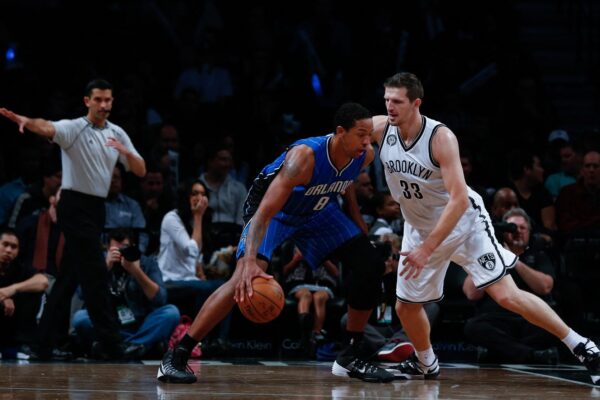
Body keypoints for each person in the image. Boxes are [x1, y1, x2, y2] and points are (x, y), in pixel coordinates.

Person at [371, 72, 600, 385]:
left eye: (396, 101)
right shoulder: (381, 128)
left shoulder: (440, 138)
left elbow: (459, 200)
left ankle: (582, 346)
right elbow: (340, 140)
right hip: (419, 225)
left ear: (416, 103)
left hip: (463, 222)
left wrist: (427, 249)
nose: (389, 107)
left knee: (507, 295)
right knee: (404, 307)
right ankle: (427, 362)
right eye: (386, 101)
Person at [157, 102, 394, 383]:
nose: (368, 142)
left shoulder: (362, 153)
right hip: (272, 213)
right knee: (241, 281)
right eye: (361, 134)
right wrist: (247, 262)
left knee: (369, 262)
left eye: (370, 135)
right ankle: (177, 355)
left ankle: (350, 356)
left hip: (316, 210)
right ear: (340, 132)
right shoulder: (303, 158)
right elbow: (265, 212)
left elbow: (347, 178)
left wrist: (357, 219)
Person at [0, 78, 146, 359]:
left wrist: (127, 153)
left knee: (68, 278)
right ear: (87, 101)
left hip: (96, 208)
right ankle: (112, 343)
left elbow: (140, 170)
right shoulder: (75, 128)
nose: (104, 105)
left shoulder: (117, 133)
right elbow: (47, 126)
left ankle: (41, 345)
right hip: (73, 204)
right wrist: (25, 120)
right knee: (95, 276)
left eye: (108, 100)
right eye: (99, 100)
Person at [463, 208, 559, 364]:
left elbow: (545, 287)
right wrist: (492, 256)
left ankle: (503, 352)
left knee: (554, 323)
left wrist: (514, 260)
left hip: (530, 319)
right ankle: (531, 355)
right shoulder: (490, 253)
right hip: (497, 320)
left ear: (529, 232)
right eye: (512, 228)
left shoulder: (538, 254)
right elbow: (471, 293)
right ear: (503, 231)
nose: (518, 231)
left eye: (522, 228)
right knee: (473, 327)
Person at [72, 228, 180, 359]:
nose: (121, 253)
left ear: (132, 247)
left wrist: (136, 271)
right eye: (116, 249)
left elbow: (160, 299)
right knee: (80, 318)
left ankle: (121, 347)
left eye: (124, 248)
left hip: (142, 324)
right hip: (109, 326)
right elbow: (82, 294)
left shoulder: (147, 263)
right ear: (107, 248)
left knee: (171, 312)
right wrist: (105, 268)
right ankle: (140, 346)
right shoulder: (99, 262)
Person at [157, 180, 224, 318]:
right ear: (185, 196)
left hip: (190, 279)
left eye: (202, 194)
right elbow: (191, 251)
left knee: (225, 288)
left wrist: (201, 274)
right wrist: (198, 216)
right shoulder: (172, 218)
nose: (199, 198)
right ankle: (198, 335)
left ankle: (220, 339)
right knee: (207, 288)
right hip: (170, 280)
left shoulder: (195, 221)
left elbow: (197, 258)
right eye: (194, 193)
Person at [0, 228, 49, 358]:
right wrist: (3, 298)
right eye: (5, 245)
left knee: (35, 292)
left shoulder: (19, 267)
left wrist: (13, 289)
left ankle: (23, 344)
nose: (9, 250)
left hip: (12, 322)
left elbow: (43, 281)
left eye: (13, 247)